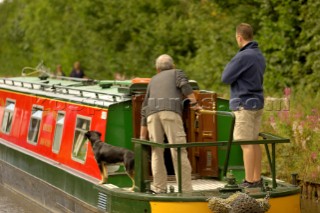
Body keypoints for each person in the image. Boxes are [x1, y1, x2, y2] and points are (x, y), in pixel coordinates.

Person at [140, 54, 200, 193]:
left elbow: (144, 107)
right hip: (170, 112)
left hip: (151, 116)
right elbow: (185, 86)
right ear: (173, 66)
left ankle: (160, 187)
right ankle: (185, 189)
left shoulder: (152, 80)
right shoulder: (177, 73)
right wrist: (195, 103)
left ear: (157, 69)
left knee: (156, 151)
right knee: (178, 149)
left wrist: (142, 135)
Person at [221, 23, 266, 188]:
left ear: (239, 37)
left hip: (244, 104)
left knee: (245, 143)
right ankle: (257, 178)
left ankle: (249, 181)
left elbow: (225, 77)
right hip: (257, 102)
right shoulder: (259, 55)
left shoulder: (242, 56)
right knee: (253, 142)